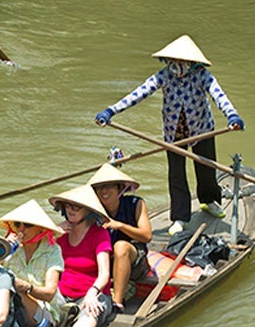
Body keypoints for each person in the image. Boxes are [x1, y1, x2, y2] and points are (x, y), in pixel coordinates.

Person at [94, 35, 244, 235]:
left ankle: (209, 201)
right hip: (174, 134)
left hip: (202, 129)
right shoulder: (164, 76)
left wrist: (232, 116)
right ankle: (180, 217)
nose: (177, 66)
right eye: (174, 61)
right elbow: (138, 94)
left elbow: (219, 96)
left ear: (192, 63)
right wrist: (110, 111)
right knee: (176, 175)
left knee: (206, 168)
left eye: (182, 62)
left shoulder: (202, 76)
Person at [49, 184, 113, 327]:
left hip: (92, 293)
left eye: (77, 206)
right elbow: (37, 258)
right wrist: (52, 234)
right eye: (68, 205)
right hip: (63, 293)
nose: (71, 210)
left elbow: (104, 274)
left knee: (92, 310)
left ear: (88, 211)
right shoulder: (60, 234)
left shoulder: (99, 234)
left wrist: (92, 293)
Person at [87, 162, 153, 314]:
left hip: (134, 258)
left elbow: (147, 236)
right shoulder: (94, 212)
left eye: (109, 186)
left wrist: (120, 226)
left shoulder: (136, 203)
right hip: (104, 262)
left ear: (119, 189)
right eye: (100, 187)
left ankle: (117, 302)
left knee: (121, 246)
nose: (104, 191)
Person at [0, 200, 66, 327]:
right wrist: (1, 251)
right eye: (18, 225)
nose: (21, 230)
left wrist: (26, 287)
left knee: (13, 294)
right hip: (9, 305)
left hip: (43, 311)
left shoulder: (52, 251)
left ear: (40, 228)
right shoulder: (12, 249)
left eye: (27, 225)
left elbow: (49, 294)